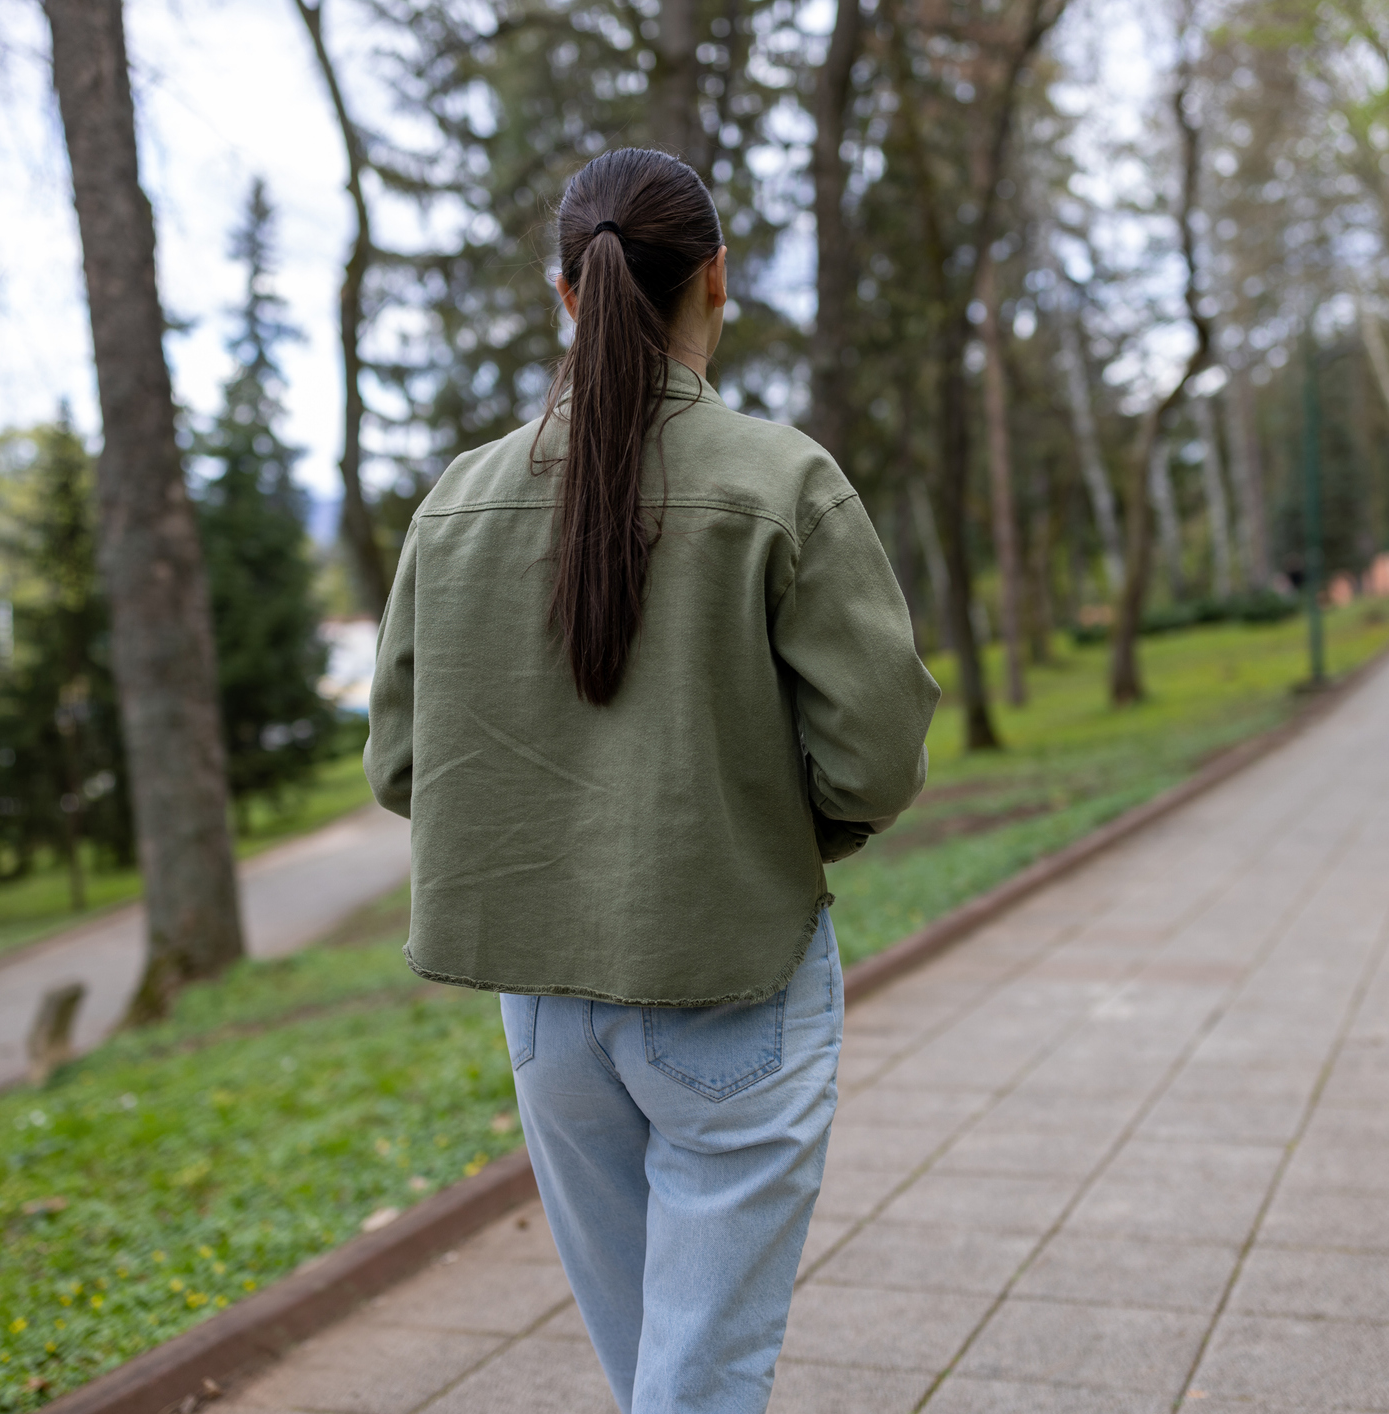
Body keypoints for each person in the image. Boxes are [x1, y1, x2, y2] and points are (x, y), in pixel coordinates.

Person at [364, 147, 938, 1414]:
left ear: (565, 293)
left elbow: (406, 765)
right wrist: (762, 826)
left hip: (544, 1009)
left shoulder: (454, 504)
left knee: (657, 1375)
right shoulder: (781, 483)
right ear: (715, 282)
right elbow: (877, 752)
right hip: (730, 975)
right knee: (696, 1382)